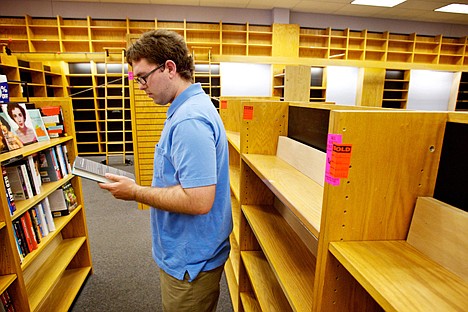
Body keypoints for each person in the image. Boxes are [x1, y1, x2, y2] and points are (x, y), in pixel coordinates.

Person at [99, 29, 232, 312]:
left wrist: (134, 192)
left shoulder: (189, 120)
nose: (141, 86)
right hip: (190, 254)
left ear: (169, 68)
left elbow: (198, 200)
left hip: (190, 261)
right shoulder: (187, 109)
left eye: (143, 77)